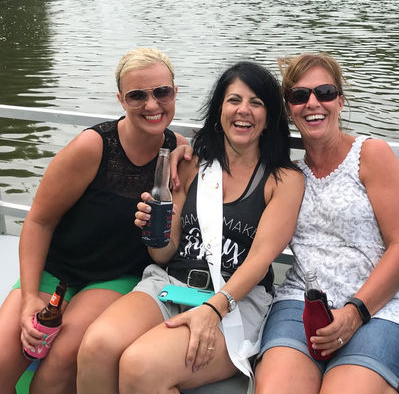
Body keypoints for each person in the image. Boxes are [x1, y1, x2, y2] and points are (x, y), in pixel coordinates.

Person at [76, 61, 304, 393]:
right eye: (234, 100)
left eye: (256, 103)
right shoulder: (191, 163)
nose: (244, 111)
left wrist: (214, 309)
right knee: (96, 347)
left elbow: (258, 261)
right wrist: (156, 230)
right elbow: (164, 252)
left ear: (270, 117)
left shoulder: (283, 179)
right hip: (171, 284)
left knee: (140, 367)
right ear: (219, 109)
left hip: (234, 301)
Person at [0, 47, 188, 394]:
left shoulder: (181, 155)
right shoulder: (93, 147)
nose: (152, 105)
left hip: (116, 276)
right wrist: (29, 297)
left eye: (161, 92)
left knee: (63, 359)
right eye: (137, 96)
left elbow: (232, 144)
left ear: (175, 92)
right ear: (120, 100)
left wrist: (189, 147)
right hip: (56, 268)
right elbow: (39, 221)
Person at [255, 53, 399, 394]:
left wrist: (354, 313)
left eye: (325, 92)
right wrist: (179, 153)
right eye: (300, 96)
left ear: (340, 100)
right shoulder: (289, 175)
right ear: (289, 108)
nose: (313, 103)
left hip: (376, 305)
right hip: (302, 301)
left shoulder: (371, 155)